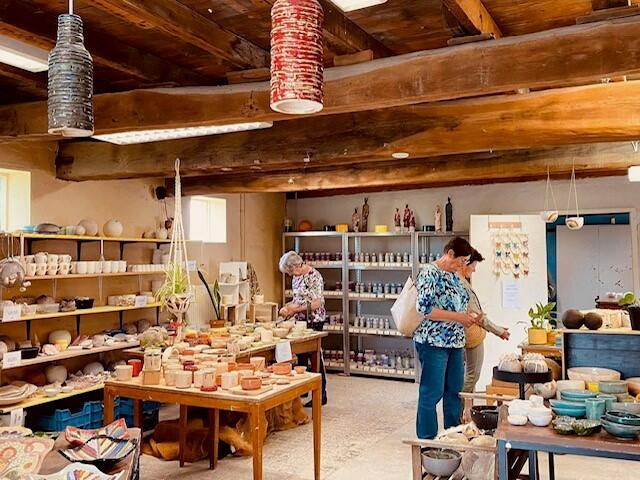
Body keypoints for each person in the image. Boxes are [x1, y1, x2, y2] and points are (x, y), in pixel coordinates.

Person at [414, 237, 477, 439]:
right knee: (432, 392)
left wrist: (467, 315)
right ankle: (427, 441)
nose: (462, 265)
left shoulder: (455, 276)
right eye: (461, 261)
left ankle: (453, 437)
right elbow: (425, 309)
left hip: (455, 342)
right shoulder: (429, 272)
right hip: (434, 342)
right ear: (450, 253)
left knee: (454, 393)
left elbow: (460, 303)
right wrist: (459, 317)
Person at [278, 251, 328, 405]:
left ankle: (321, 394)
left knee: (315, 356)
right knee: (301, 356)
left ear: (297, 266)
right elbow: (298, 299)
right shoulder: (296, 276)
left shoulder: (314, 276)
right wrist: (288, 308)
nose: (289, 275)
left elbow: (316, 303)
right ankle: (303, 389)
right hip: (300, 321)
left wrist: (295, 310)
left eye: (290, 271)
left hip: (314, 320)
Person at [458, 249, 510, 394]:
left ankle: (464, 405)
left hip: (471, 334)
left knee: (469, 375)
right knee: (472, 375)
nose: (474, 270)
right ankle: (459, 406)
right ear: (465, 263)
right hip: (472, 336)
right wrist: (498, 331)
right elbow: (477, 316)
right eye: (473, 265)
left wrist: (497, 327)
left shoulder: (461, 281)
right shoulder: (461, 284)